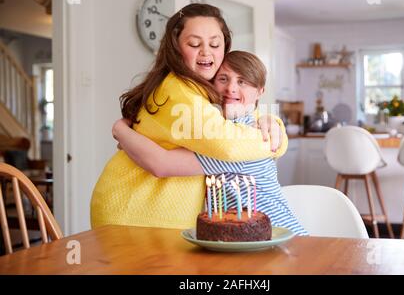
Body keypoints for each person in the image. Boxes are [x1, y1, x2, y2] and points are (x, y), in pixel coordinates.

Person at [91, 4, 288, 229]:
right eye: (194, 44)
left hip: (155, 213)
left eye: (215, 44)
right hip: (135, 211)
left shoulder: (203, 92)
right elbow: (228, 145)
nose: (206, 51)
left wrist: (270, 121)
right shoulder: (180, 90)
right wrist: (276, 141)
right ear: (175, 48)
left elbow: (232, 126)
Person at [112, 51, 308, 236]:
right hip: (243, 237)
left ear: (260, 91)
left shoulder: (238, 138)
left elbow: (162, 164)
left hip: (277, 235)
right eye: (223, 79)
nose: (231, 88)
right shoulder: (220, 126)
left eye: (242, 82)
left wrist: (120, 130)